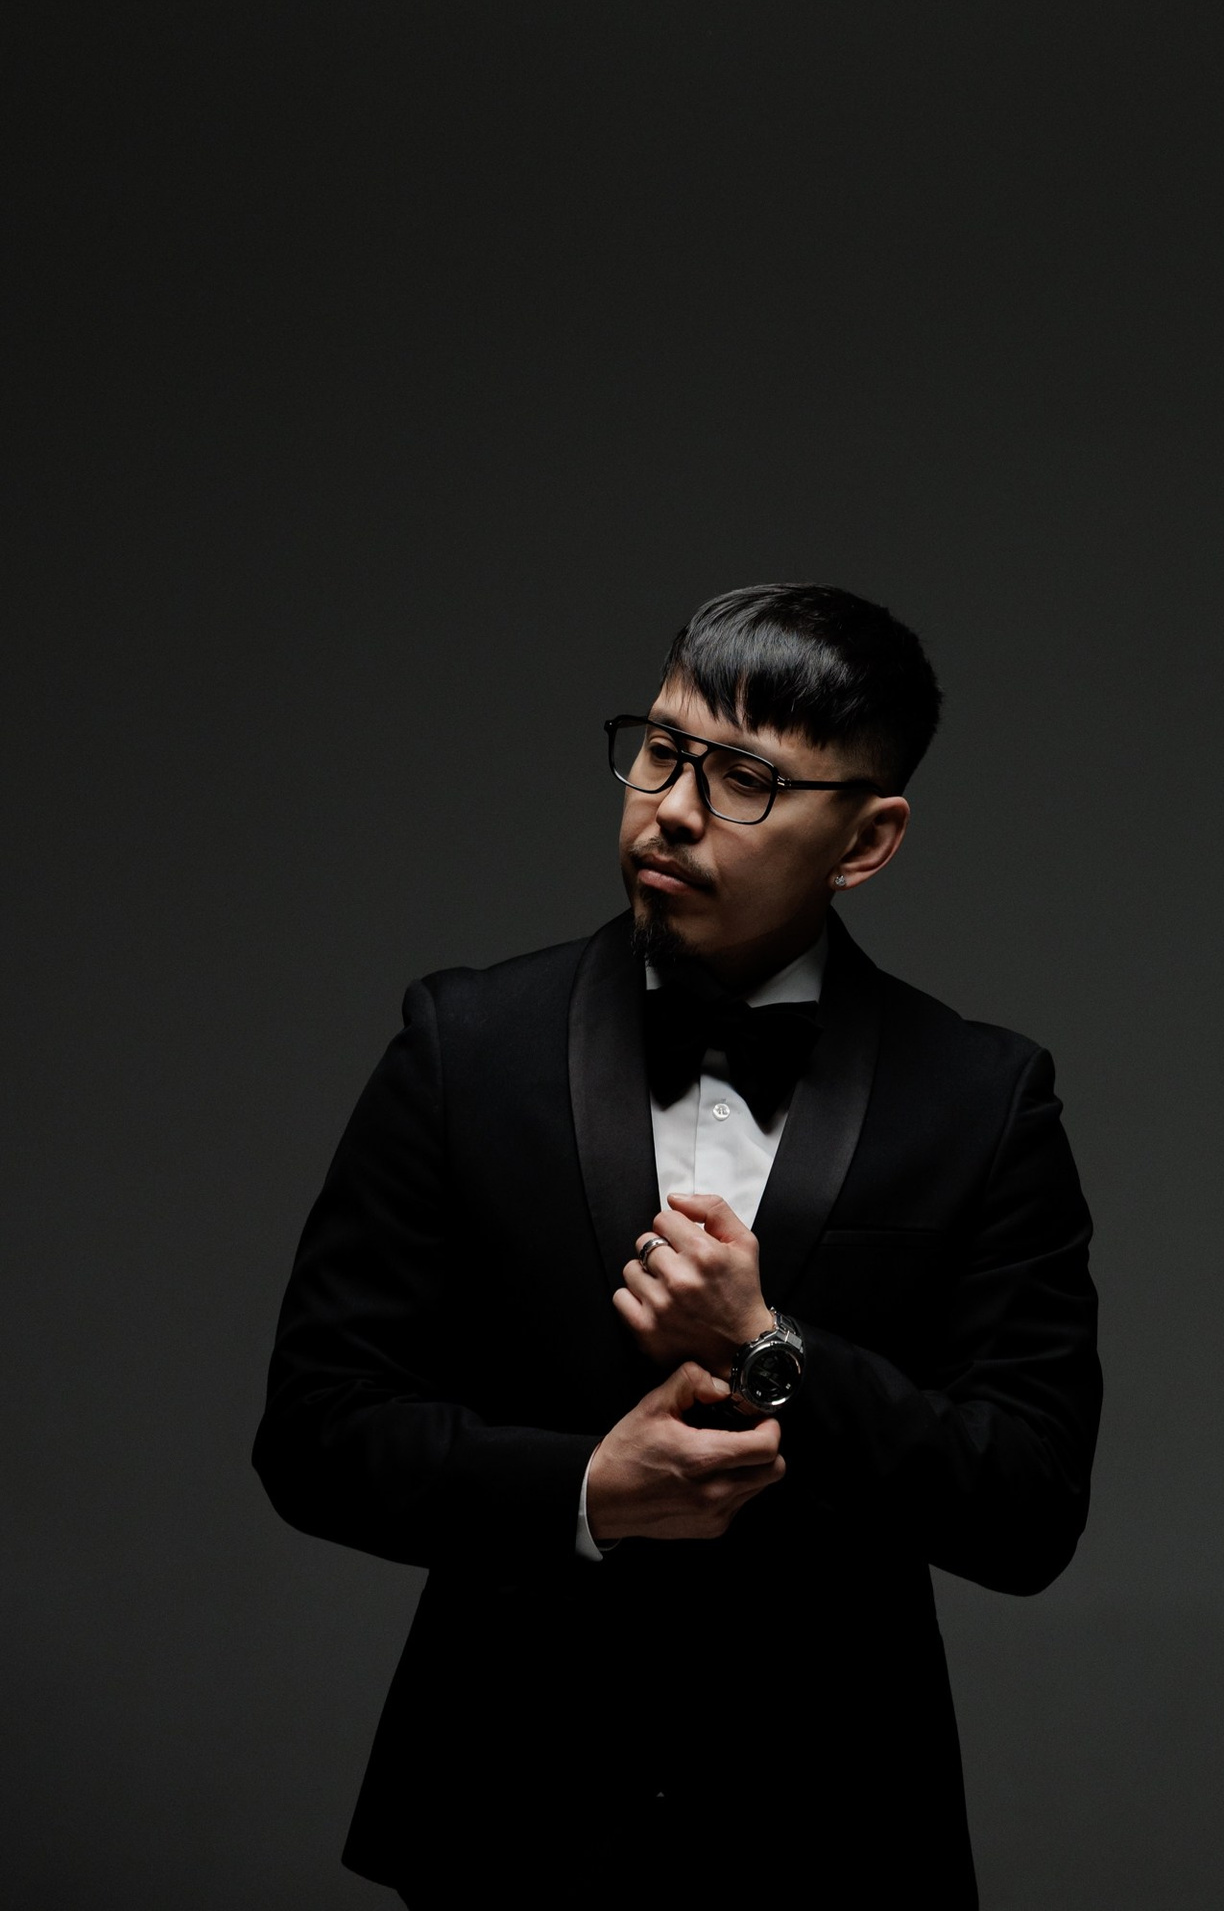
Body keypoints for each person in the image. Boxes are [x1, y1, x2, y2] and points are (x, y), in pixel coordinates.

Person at [254, 581, 1101, 1907]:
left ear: (868, 839)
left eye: (746, 779)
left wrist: (768, 1350)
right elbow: (314, 1433)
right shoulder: (464, 1047)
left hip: (836, 1843)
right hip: (503, 1832)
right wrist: (587, 1492)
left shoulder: (982, 1099)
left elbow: (1029, 1508)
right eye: (660, 750)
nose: (673, 809)